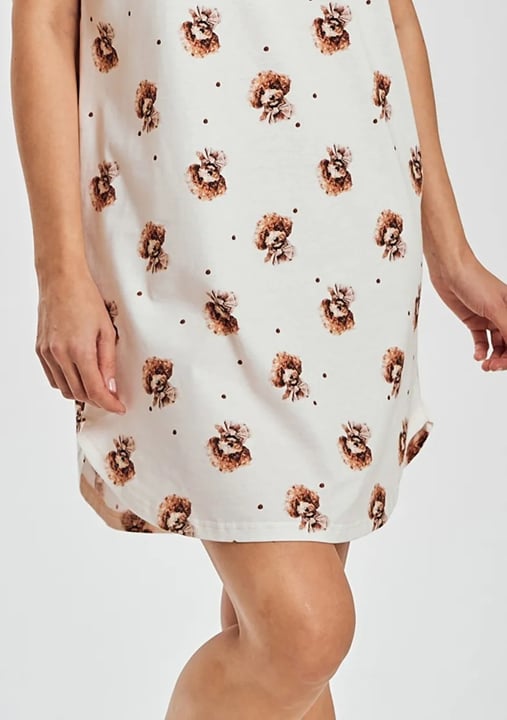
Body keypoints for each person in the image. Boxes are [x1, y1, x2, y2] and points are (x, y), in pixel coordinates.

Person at [10, 1, 507, 718]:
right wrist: (58, 269)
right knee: (304, 636)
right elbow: (47, 22)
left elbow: (393, 18)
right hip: (181, 253)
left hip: (351, 244)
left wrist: (451, 254)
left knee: (279, 648)